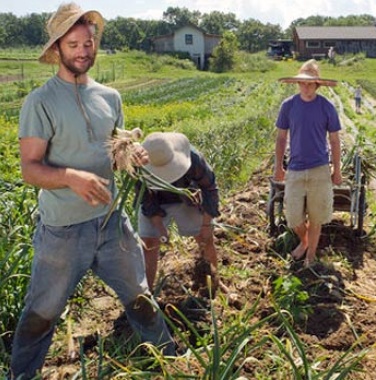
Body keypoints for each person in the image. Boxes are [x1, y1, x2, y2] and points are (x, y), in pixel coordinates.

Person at [11, 3, 174, 378]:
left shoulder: (110, 98)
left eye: (88, 42)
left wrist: (132, 155)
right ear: (57, 50)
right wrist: (72, 177)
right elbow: (30, 169)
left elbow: (116, 155)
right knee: (43, 312)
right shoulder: (41, 102)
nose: (84, 50)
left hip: (111, 223)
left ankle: (169, 361)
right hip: (63, 231)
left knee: (140, 296)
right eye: (74, 44)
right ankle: (20, 374)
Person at [137, 132, 227, 296]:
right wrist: (159, 227)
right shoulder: (138, 164)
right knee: (148, 243)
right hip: (156, 201)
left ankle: (213, 282)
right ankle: (146, 294)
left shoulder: (193, 158)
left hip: (187, 197)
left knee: (204, 239)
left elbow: (209, 189)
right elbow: (146, 199)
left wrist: (207, 224)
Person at [274, 59, 342, 267]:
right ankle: (304, 241)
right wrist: (279, 166)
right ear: (297, 84)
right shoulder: (288, 106)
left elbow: (334, 140)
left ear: (317, 85)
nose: (306, 87)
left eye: (310, 83)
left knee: (316, 216)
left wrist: (336, 169)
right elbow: (281, 138)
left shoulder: (326, 107)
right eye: (302, 83)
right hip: (295, 168)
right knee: (293, 217)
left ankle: (311, 256)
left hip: (320, 169)